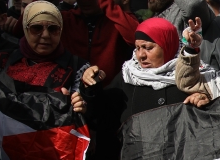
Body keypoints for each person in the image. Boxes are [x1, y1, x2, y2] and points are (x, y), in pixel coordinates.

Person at [77, 17, 205, 125]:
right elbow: (102, 118)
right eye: (137, 48)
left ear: (168, 45)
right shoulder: (128, 76)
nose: (140, 55)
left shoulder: (193, 74)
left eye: (148, 48)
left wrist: (206, 99)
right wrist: (91, 87)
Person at [59, 0, 139, 85]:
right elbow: (25, 31)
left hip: (113, 93)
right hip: (71, 93)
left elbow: (137, 37)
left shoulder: (117, 19)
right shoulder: (66, 18)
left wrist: (105, 1)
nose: (84, 1)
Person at [6, 1, 86, 92]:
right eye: (37, 28)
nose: (46, 35)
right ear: (25, 29)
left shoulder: (78, 68)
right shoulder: (4, 59)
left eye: (53, 29)